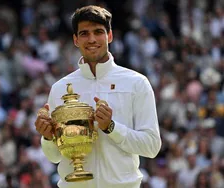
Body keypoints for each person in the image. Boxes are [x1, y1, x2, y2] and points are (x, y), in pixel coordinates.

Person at [35, 5, 161, 188]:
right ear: (75, 40)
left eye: (98, 32)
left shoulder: (137, 83)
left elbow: (151, 146)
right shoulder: (60, 88)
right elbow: (54, 156)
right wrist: (47, 137)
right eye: (84, 33)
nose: (92, 39)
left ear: (109, 36)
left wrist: (111, 127)